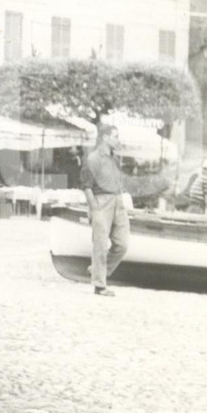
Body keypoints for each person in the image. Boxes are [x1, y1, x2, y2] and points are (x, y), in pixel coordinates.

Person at [80, 121, 130, 296]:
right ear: (105, 137)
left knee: (123, 244)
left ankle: (97, 271)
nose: (118, 140)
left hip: (118, 201)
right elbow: (86, 186)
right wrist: (94, 209)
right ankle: (100, 285)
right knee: (100, 245)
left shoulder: (115, 158)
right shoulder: (93, 159)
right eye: (115, 136)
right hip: (101, 202)